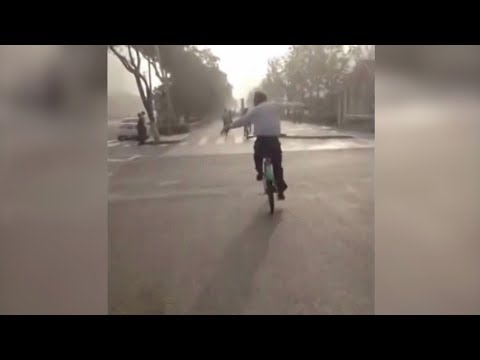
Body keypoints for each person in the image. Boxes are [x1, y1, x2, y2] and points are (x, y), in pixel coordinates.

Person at [221, 91, 288, 200]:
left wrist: (229, 126)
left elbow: (242, 121)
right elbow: (289, 105)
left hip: (262, 140)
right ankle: (280, 189)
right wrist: (303, 106)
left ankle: (260, 172)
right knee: (277, 165)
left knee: (257, 155)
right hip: (273, 140)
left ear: (257, 100)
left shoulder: (255, 110)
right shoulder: (275, 106)